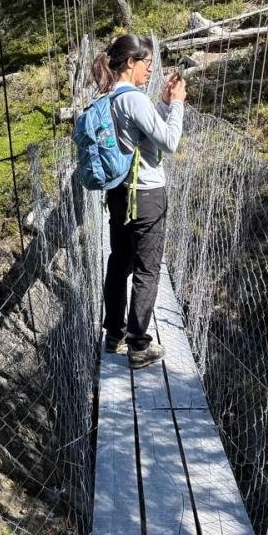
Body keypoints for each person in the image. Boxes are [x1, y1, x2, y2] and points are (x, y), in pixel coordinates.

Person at [93, 34, 186, 369]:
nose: (150, 71)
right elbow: (169, 142)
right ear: (130, 62)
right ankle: (138, 346)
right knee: (147, 270)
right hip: (146, 196)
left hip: (118, 195)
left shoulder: (109, 97)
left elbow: (142, 136)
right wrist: (176, 104)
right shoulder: (134, 99)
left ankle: (114, 335)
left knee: (119, 263)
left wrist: (160, 103)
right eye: (147, 64)